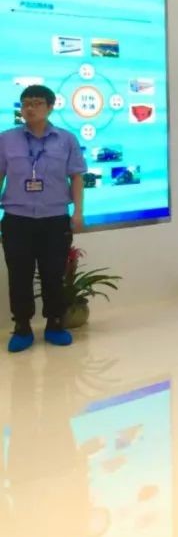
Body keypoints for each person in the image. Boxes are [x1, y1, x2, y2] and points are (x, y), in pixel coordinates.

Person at [0, 85, 86, 352]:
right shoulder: (6, 139)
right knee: (19, 275)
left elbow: (76, 177)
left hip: (54, 219)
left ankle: (55, 324)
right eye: (25, 103)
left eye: (37, 103)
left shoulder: (66, 139)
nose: (30, 108)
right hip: (17, 219)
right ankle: (22, 326)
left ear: (50, 107)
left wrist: (78, 212)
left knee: (53, 274)